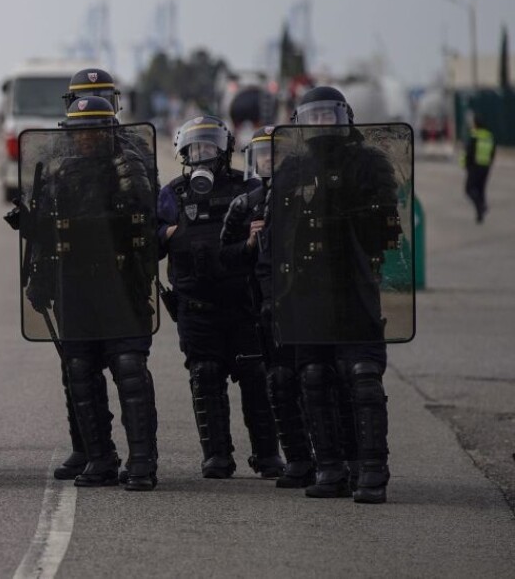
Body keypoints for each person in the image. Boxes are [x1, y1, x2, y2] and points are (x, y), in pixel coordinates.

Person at [273, 86, 403, 503]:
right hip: (307, 291)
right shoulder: (291, 169)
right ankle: (329, 466)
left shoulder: (368, 162)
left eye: (328, 115)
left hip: (353, 287)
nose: (322, 123)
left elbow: (386, 231)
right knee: (313, 376)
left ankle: (370, 468)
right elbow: (279, 231)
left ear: (344, 117)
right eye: (314, 115)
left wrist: (364, 214)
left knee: (363, 377)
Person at [23, 96, 160, 490]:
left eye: (97, 128)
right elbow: (50, 237)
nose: (89, 136)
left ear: (110, 129)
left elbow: (144, 220)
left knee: (130, 370)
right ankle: (100, 459)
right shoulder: (58, 173)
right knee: (80, 371)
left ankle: (142, 462)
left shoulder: (128, 166)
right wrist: (40, 276)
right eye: (82, 129)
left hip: (120, 283)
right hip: (75, 285)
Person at [158, 115, 283, 480]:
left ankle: (267, 454)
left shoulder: (249, 186)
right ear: (183, 152)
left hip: (243, 304)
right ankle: (216, 455)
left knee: (256, 377)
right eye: (195, 148)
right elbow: (147, 240)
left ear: (225, 148)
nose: (203, 155)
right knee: (205, 375)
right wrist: (166, 233)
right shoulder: (173, 193)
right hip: (196, 306)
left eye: (210, 146)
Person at [221, 125, 315, 488]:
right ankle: (297, 461)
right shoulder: (245, 203)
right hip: (266, 311)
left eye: (276, 154)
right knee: (279, 382)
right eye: (263, 154)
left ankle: (332, 459)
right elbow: (224, 258)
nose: (269, 160)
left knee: (317, 382)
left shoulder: (311, 196)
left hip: (309, 307)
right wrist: (248, 243)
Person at [463, 114, 495, 223]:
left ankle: (480, 207)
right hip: (485, 167)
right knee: (481, 190)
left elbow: (469, 152)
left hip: (474, 167)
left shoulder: (474, 136)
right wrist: (489, 163)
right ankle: (480, 214)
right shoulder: (489, 136)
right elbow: (493, 152)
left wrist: (467, 165)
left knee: (469, 189)